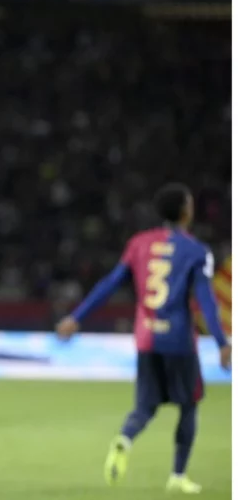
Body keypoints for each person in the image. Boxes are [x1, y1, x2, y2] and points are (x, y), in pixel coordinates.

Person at [56, 183, 232, 494]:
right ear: (185, 212)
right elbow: (205, 300)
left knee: (145, 407)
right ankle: (177, 476)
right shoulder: (196, 251)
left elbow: (110, 284)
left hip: (147, 339)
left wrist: (77, 317)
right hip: (179, 341)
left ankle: (124, 437)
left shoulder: (139, 243)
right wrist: (221, 342)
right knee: (189, 405)